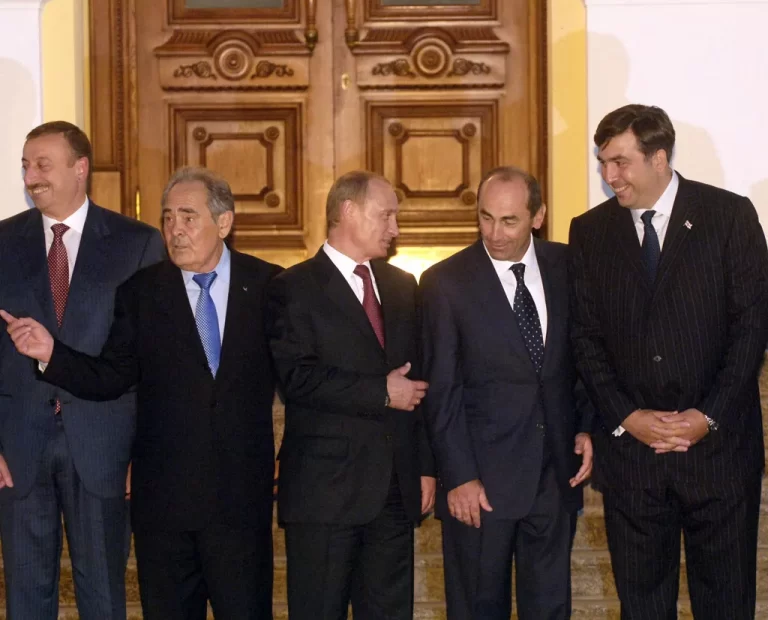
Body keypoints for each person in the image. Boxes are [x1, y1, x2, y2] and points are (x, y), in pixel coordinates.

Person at [1, 166, 282, 620]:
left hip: (239, 503)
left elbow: (300, 378)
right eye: (168, 217)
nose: (175, 229)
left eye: (189, 217)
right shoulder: (141, 292)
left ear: (224, 223)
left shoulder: (271, 286)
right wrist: (52, 353)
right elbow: (110, 376)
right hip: (164, 508)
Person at [569, 104, 768, 619]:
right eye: (602, 163)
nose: (609, 175)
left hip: (720, 457)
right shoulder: (589, 231)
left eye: (619, 162)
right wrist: (627, 418)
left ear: (659, 158)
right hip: (633, 464)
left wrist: (707, 417)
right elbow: (586, 339)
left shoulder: (729, 216)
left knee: (726, 605)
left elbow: (752, 330)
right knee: (642, 608)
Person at [0, 121, 164, 619]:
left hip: (106, 448)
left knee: (104, 599)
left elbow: (153, 364)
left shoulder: (137, 244)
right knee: (26, 599)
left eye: (43, 165)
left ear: (80, 168)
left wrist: (147, 453)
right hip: (18, 450)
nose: (32, 177)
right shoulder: (2, 242)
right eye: (26, 165)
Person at [420, 166, 594, 620]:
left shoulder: (568, 266)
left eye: (509, 220)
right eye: (485, 218)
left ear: (538, 216)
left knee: (550, 606)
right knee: (479, 606)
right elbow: (442, 389)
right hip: (480, 482)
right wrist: (457, 475)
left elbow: (585, 360)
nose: (494, 233)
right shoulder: (445, 282)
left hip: (555, 475)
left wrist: (587, 428)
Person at [268, 170, 436, 620]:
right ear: (348, 211)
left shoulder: (403, 287)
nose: (395, 229)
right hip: (325, 494)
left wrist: (424, 467)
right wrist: (380, 392)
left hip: (395, 493)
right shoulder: (292, 287)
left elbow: (417, 385)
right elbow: (298, 379)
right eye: (386, 216)